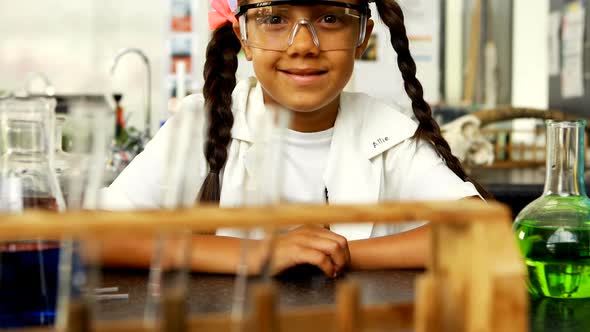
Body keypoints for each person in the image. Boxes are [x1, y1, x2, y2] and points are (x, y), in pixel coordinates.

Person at [100, 0, 489, 278]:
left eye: (331, 17)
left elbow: (480, 232)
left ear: (363, 36)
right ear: (244, 37)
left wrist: (338, 254)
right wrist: (255, 253)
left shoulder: (390, 133)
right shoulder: (197, 126)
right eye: (275, 19)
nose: (303, 45)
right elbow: (94, 236)